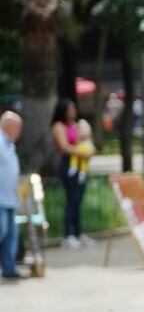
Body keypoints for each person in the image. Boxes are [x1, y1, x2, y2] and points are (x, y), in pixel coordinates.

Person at [50, 98, 94, 249]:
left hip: (81, 166)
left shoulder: (76, 125)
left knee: (78, 201)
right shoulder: (59, 126)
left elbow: (85, 138)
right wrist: (82, 153)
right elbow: (64, 146)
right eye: (70, 109)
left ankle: (78, 232)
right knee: (71, 201)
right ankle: (68, 234)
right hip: (69, 165)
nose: (73, 111)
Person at [0, 112, 21, 281]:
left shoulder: (9, 144)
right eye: (17, 127)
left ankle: (9, 269)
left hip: (10, 198)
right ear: (8, 126)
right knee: (2, 231)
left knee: (11, 235)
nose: (19, 131)